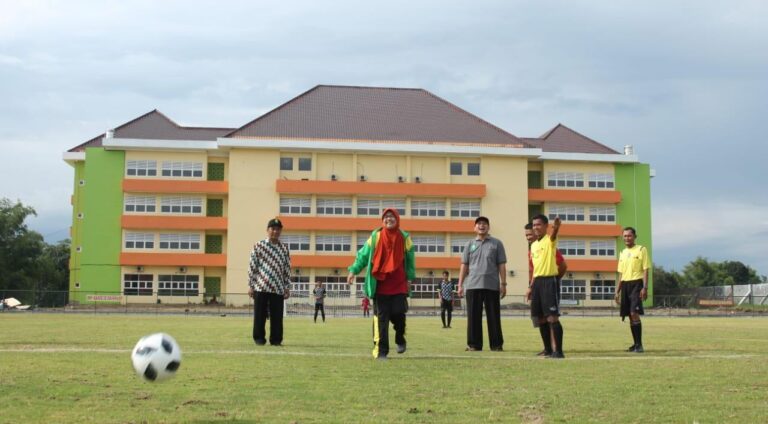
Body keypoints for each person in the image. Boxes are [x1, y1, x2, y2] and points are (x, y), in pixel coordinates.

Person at [347, 208, 415, 360]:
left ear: (397, 219)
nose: (388, 219)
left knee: (399, 313)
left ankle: (400, 338)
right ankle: (381, 351)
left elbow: (410, 260)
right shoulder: (375, 236)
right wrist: (353, 270)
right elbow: (363, 255)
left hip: (399, 284)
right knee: (381, 319)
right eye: (386, 217)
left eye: (392, 217)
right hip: (380, 285)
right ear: (382, 220)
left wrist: (410, 278)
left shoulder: (404, 237)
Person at [457, 216, 507, 352]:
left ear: (488, 227)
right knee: (473, 317)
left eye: (484, 224)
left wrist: (503, 284)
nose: (481, 226)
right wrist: (460, 284)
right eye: (479, 224)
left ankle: (496, 345)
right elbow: (464, 265)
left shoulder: (497, 243)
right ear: (475, 228)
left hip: (492, 285)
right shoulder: (469, 244)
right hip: (472, 285)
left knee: (494, 317)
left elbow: (501, 264)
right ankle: (474, 345)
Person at [525, 222, 567, 356]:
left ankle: (558, 351)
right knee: (540, 318)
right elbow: (534, 270)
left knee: (552, 318)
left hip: (549, 281)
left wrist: (556, 229)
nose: (536, 227)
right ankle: (548, 349)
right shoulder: (533, 246)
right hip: (537, 283)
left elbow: (554, 236)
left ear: (545, 226)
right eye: (534, 225)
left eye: (539, 225)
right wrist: (530, 287)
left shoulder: (549, 240)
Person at [248, 218, 291, 346]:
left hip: (277, 288)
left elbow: (287, 268)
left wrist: (287, 287)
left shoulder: (284, 249)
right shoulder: (259, 246)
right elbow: (252, 266)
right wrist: (251, 285)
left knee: (277, 317)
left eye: (278, 229)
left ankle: (276, 340)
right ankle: (259, 339)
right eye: (273, 229)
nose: (275, 231)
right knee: (259, 316)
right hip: (261, 286)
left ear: (281, 231)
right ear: (267, 230)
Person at [616, 227, 651, 353]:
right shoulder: (622, 253)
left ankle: (640, 345)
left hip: (637, 284)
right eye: (625, 236)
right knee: (629, 316)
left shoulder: (641, 249)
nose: (627, 238)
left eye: (629, 236)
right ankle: (635, 344)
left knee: (633, 313)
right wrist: (617, 291)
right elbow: (621, 273)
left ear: (635, 236)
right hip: (625, 285)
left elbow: (646, 269)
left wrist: (645, 287)